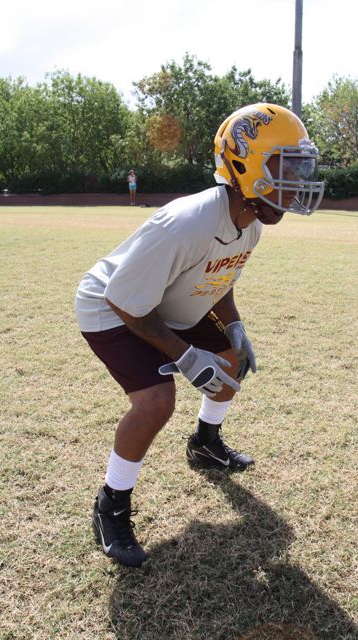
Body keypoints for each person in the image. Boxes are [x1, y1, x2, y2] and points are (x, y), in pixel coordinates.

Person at [75, 103, 324, 567]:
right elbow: (125, 300)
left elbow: (217, 279)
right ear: (245, 164)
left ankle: (205, 443)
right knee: (156, 402)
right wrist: (186, 356)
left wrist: (234, 326)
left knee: (232, 359)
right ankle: (111, 504)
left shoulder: (249, 222)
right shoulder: (188, 222)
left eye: (299, 168)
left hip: (163, 298)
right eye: (285, 168)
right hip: (111, 306)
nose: (295, 182)